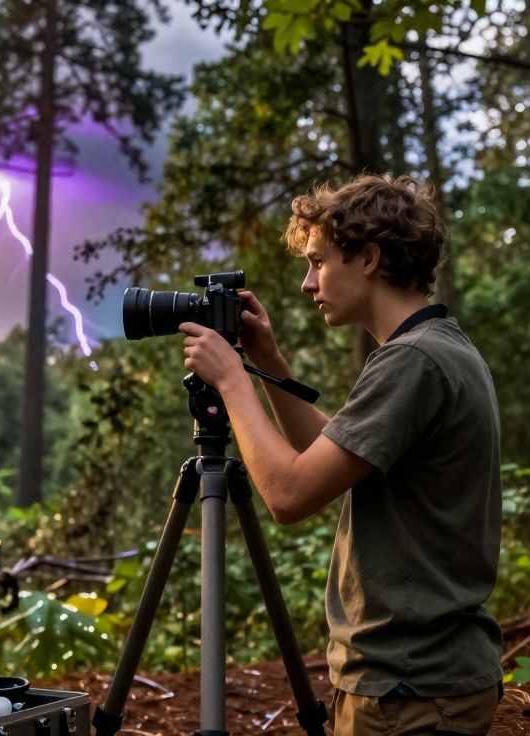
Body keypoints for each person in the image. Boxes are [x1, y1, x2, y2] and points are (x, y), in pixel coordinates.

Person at [179, 174, 503, 735]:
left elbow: (289, 493)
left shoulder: (414, 362)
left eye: (318, 262)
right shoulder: (434, 347)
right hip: (418, 681)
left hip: (411, 694)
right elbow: (336, 453)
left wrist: (234, 383)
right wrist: (270, 365)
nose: (308, 284)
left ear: (369, 258)